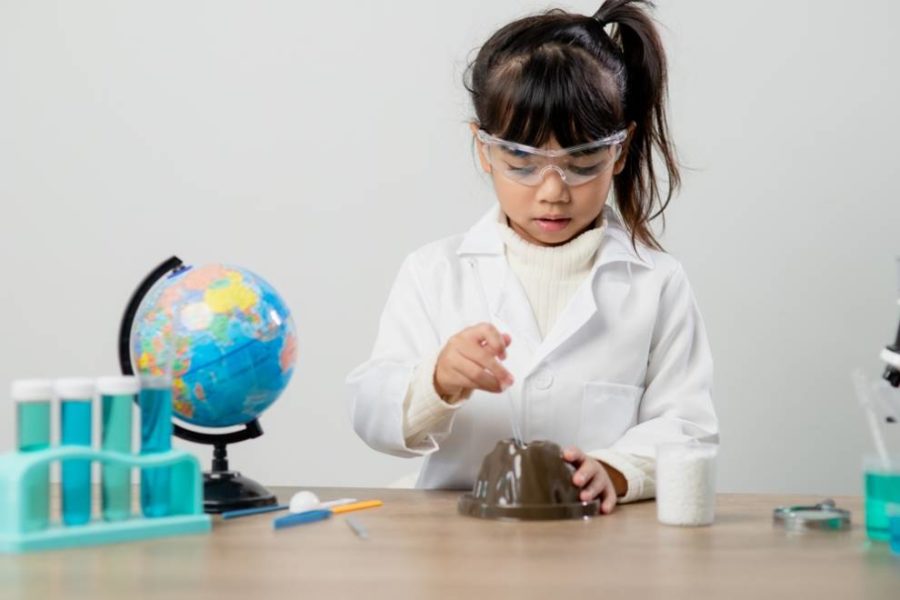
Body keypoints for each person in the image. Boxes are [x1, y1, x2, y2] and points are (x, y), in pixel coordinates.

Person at [347, 0, 718, 514]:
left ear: (621, 150)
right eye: (521, 161)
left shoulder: (657, 283)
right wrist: (437, 380)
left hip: (598, 544)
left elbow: (687, 427)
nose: (552, 191)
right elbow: (371, 415)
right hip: (458, 550)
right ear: (484, 149)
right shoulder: (434, 272)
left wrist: (615, 468)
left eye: (582, 161)